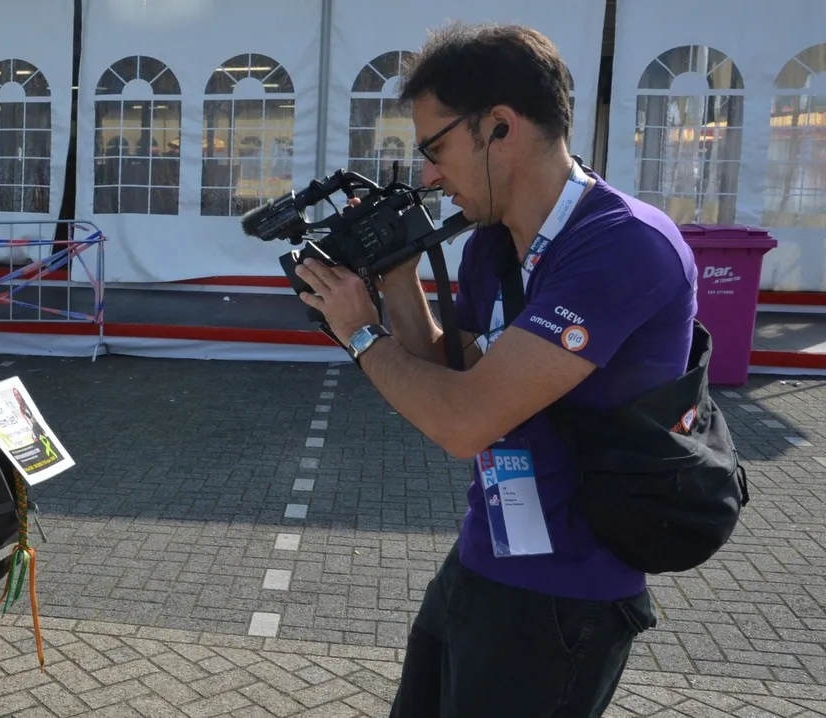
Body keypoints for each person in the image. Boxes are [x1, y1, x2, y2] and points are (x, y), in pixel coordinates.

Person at [293, 22, 694, 717]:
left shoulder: (624, 246)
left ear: (499, 127)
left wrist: (359, 334)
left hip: (567, 594)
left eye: (435, 148)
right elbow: (457, 378)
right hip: (484, 557)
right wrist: (395, 277)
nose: (427, 176)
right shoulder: (492, 243)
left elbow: (463, 421)